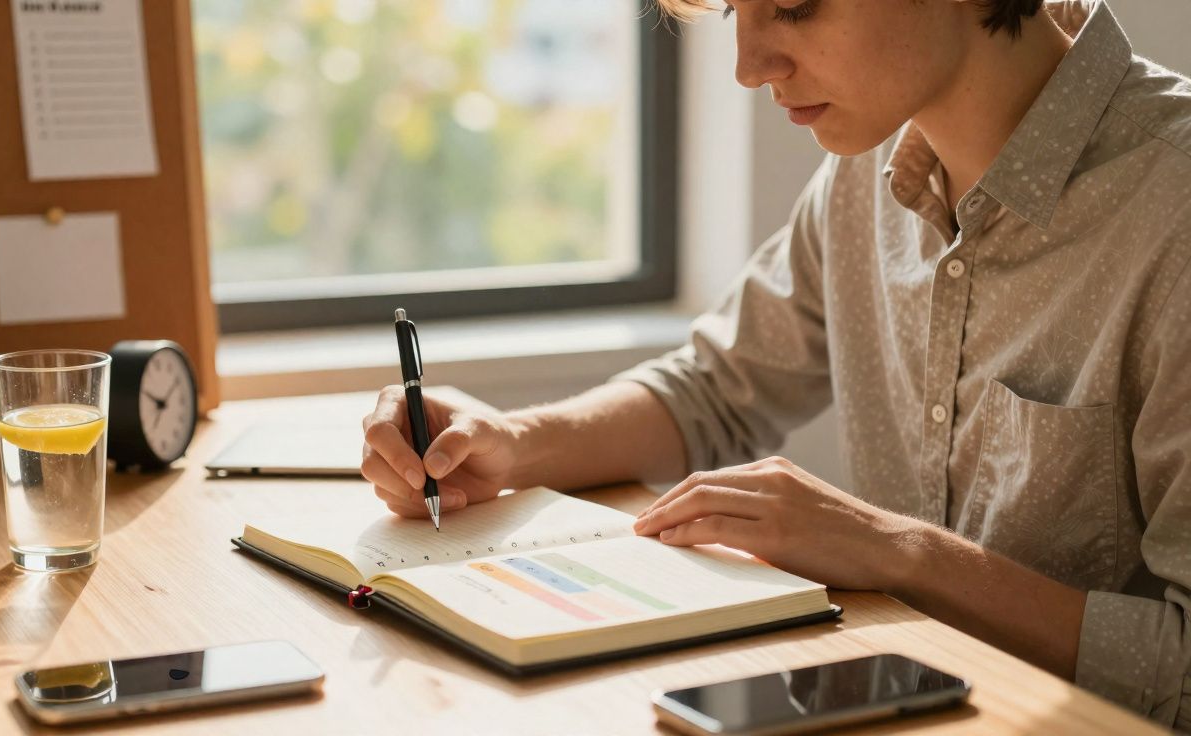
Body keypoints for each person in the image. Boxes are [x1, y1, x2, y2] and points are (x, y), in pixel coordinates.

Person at [360, 0, 1191, 727]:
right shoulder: (866, 171)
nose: (748, 69)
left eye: (793, 8)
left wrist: (899, 553)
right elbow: (714, 390)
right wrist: (508, 440)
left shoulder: (1173, 209)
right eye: (735, 12)